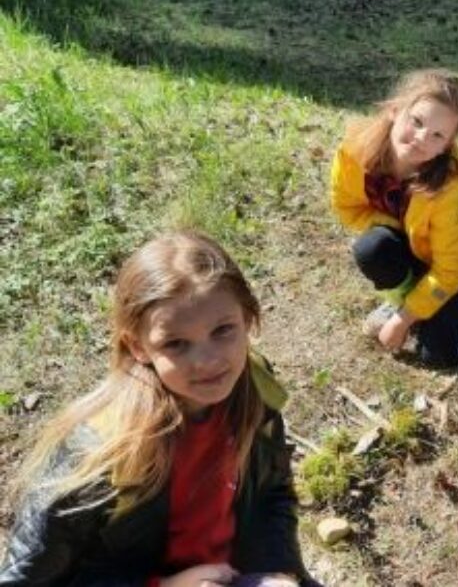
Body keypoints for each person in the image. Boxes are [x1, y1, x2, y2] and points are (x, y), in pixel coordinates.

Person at [0, 231, 319, 587]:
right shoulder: (99, 450)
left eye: (223, 330)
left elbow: (271, 494)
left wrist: (278, 571)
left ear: (248, 319)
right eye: (176, 344)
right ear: (136, 347)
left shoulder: (255, 388)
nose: (208, 361)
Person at [330, 69, 458, 367]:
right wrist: (392, 229)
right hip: (416, 252)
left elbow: (452, 267)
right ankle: (405, 300)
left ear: (447, 145)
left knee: (439, 356)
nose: (421, 137)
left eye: (437, 135)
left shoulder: (446, 186)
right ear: (394, 110)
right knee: (373, 248)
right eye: (417, 121)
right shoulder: (353, 153)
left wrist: (403, 320)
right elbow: (347, 207)